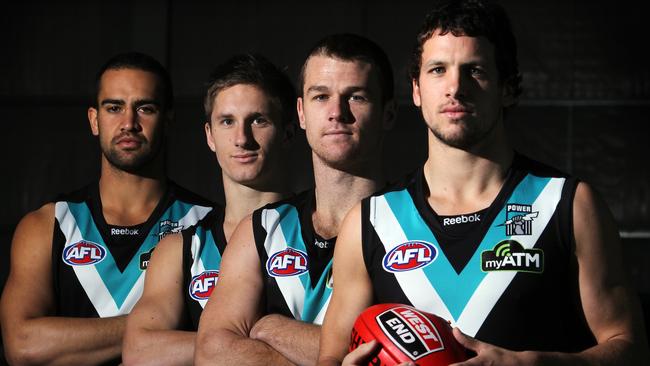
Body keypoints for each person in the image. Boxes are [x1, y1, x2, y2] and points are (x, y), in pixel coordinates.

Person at [317, 1, 650, 365]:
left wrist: (531, 364)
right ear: (416, 90)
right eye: (438, 70)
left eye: (474, 70)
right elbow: (331, 358)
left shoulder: (567, 205)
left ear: (507, 88)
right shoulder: (371, 221)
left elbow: (631, 350)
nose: (455, 87)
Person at [194, 33, 396, 365]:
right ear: (300, 113)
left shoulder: (414, 220)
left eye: (356, 97)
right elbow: (212, 352)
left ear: (388, 113)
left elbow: (403, 353)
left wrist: (270, 329)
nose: (336, 112)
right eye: (320, 97)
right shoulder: (260, 228)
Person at [0, 52, 213, 365]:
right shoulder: (49, 224)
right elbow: (22, 345)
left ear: (168, 119)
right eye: (114, 107)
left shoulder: (207, 223)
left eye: (145, 108)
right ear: (94, 120)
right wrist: (154, 331)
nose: (129, 123)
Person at [122, 53, 296, 366]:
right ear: (209, 136)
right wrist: (240, 340)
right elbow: (140, 350)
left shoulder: (326, 231)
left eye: (258, 120)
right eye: (227, 122)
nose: (242, 139)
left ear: (287, 132)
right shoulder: (180, 249)